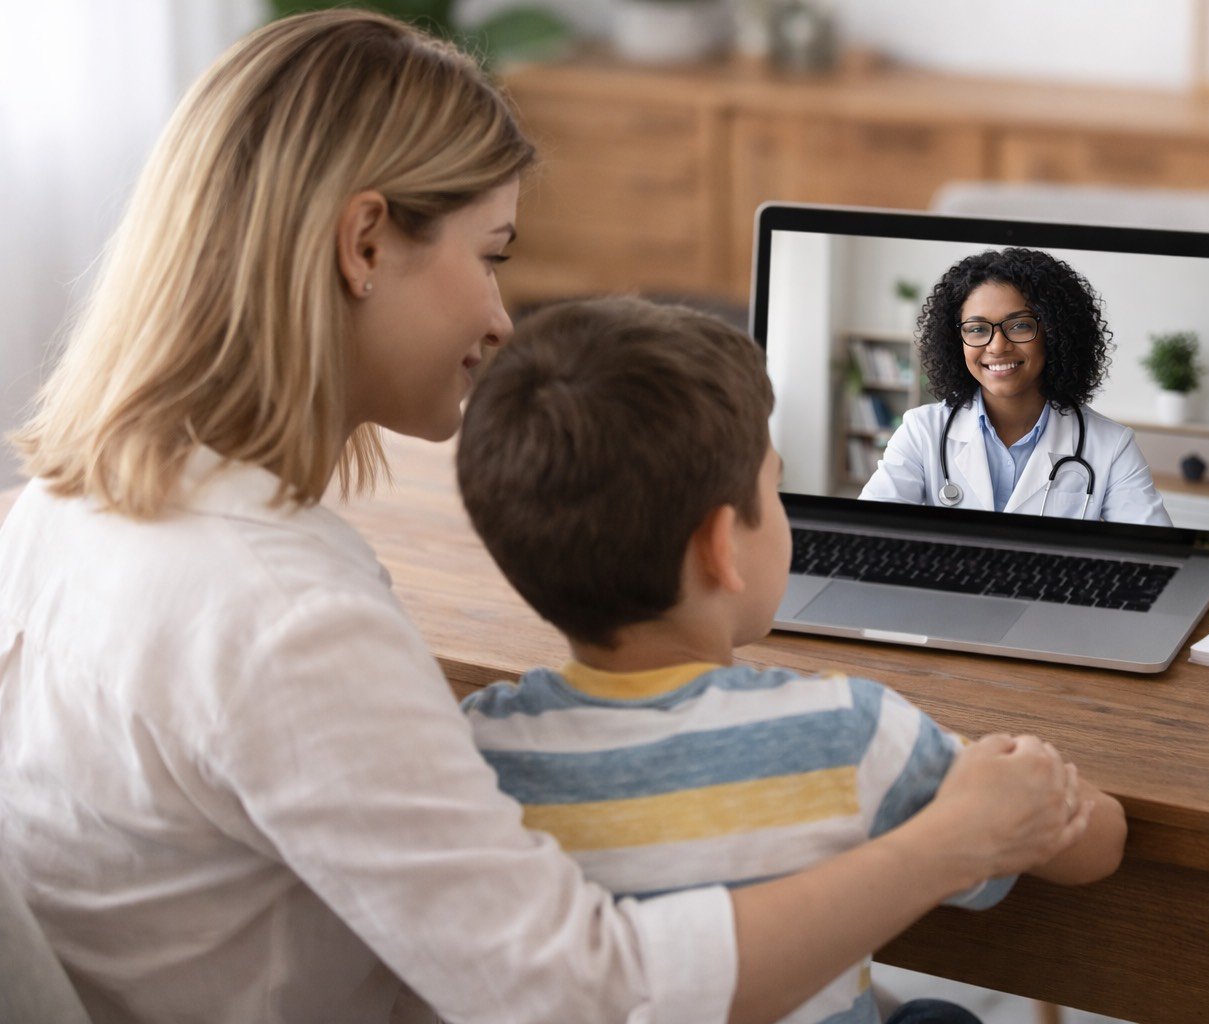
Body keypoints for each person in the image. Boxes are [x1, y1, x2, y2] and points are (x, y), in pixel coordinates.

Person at [0, 11, 1094, 1024]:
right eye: (491, 254)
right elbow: (584, 997)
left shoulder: (60, 507)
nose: (499, 316)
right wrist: (949, 841)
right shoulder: (280, 617)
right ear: (365, 243)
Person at [454, 296, 1128, 1024]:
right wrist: (1047, 784)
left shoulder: (472, 746)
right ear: (720, 547)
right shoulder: (846, 732)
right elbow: (1095, 845)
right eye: (773, 489)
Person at [860, 248, 1172, 525]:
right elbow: (868, 535)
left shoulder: (1111, 446)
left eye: (1020, 325)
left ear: (1054, 332)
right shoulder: (922, 432)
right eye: (978, 329)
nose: (997, 346)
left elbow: (1157, 559)